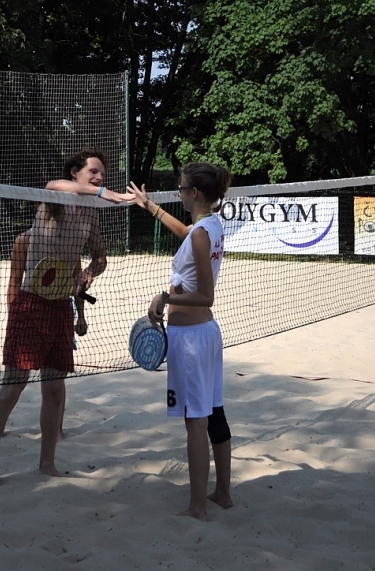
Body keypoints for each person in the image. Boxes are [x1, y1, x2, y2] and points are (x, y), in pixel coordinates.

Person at [0, 148, 134, 487]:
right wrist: (104, 192)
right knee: (14, 385)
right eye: (93, 171)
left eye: (103, 174)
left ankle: (47, 463)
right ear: (75, 173)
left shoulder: (91, 215)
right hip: (30, 304)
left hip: (61, 307)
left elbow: (100, 258)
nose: (99, 177)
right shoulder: (54, 199)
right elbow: (54, 185)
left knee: (54, 389)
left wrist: (90, 273)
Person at [128, 162, 233, 521]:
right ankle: (222, 494)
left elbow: (206, 295)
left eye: (182, 187)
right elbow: (187, 232)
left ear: (195, 193)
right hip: (205, 336)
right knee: (214, 413)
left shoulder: (202, 234)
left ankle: (197, 507)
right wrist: (150, 207)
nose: (179, 192)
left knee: (195, 422)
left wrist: (164, 298)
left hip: (191, 340)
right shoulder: (210, 225)